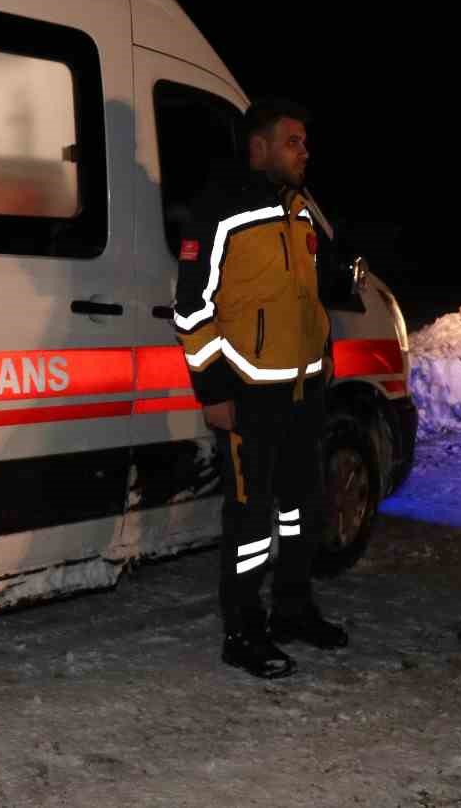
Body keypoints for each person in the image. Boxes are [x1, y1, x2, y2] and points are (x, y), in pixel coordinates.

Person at [172, 98, 349, 679]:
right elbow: (192, 311)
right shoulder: (220, 210)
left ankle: (292, 610)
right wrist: (214, 391)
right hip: (249, 395)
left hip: (303, 391)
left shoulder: (300, 212)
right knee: (250, 523)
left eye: (304, 141)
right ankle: (243, 629)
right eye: (293, 141)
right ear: (259, 147)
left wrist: (322, 354)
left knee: (302, 508)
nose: (305, 151)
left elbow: (307, 298)